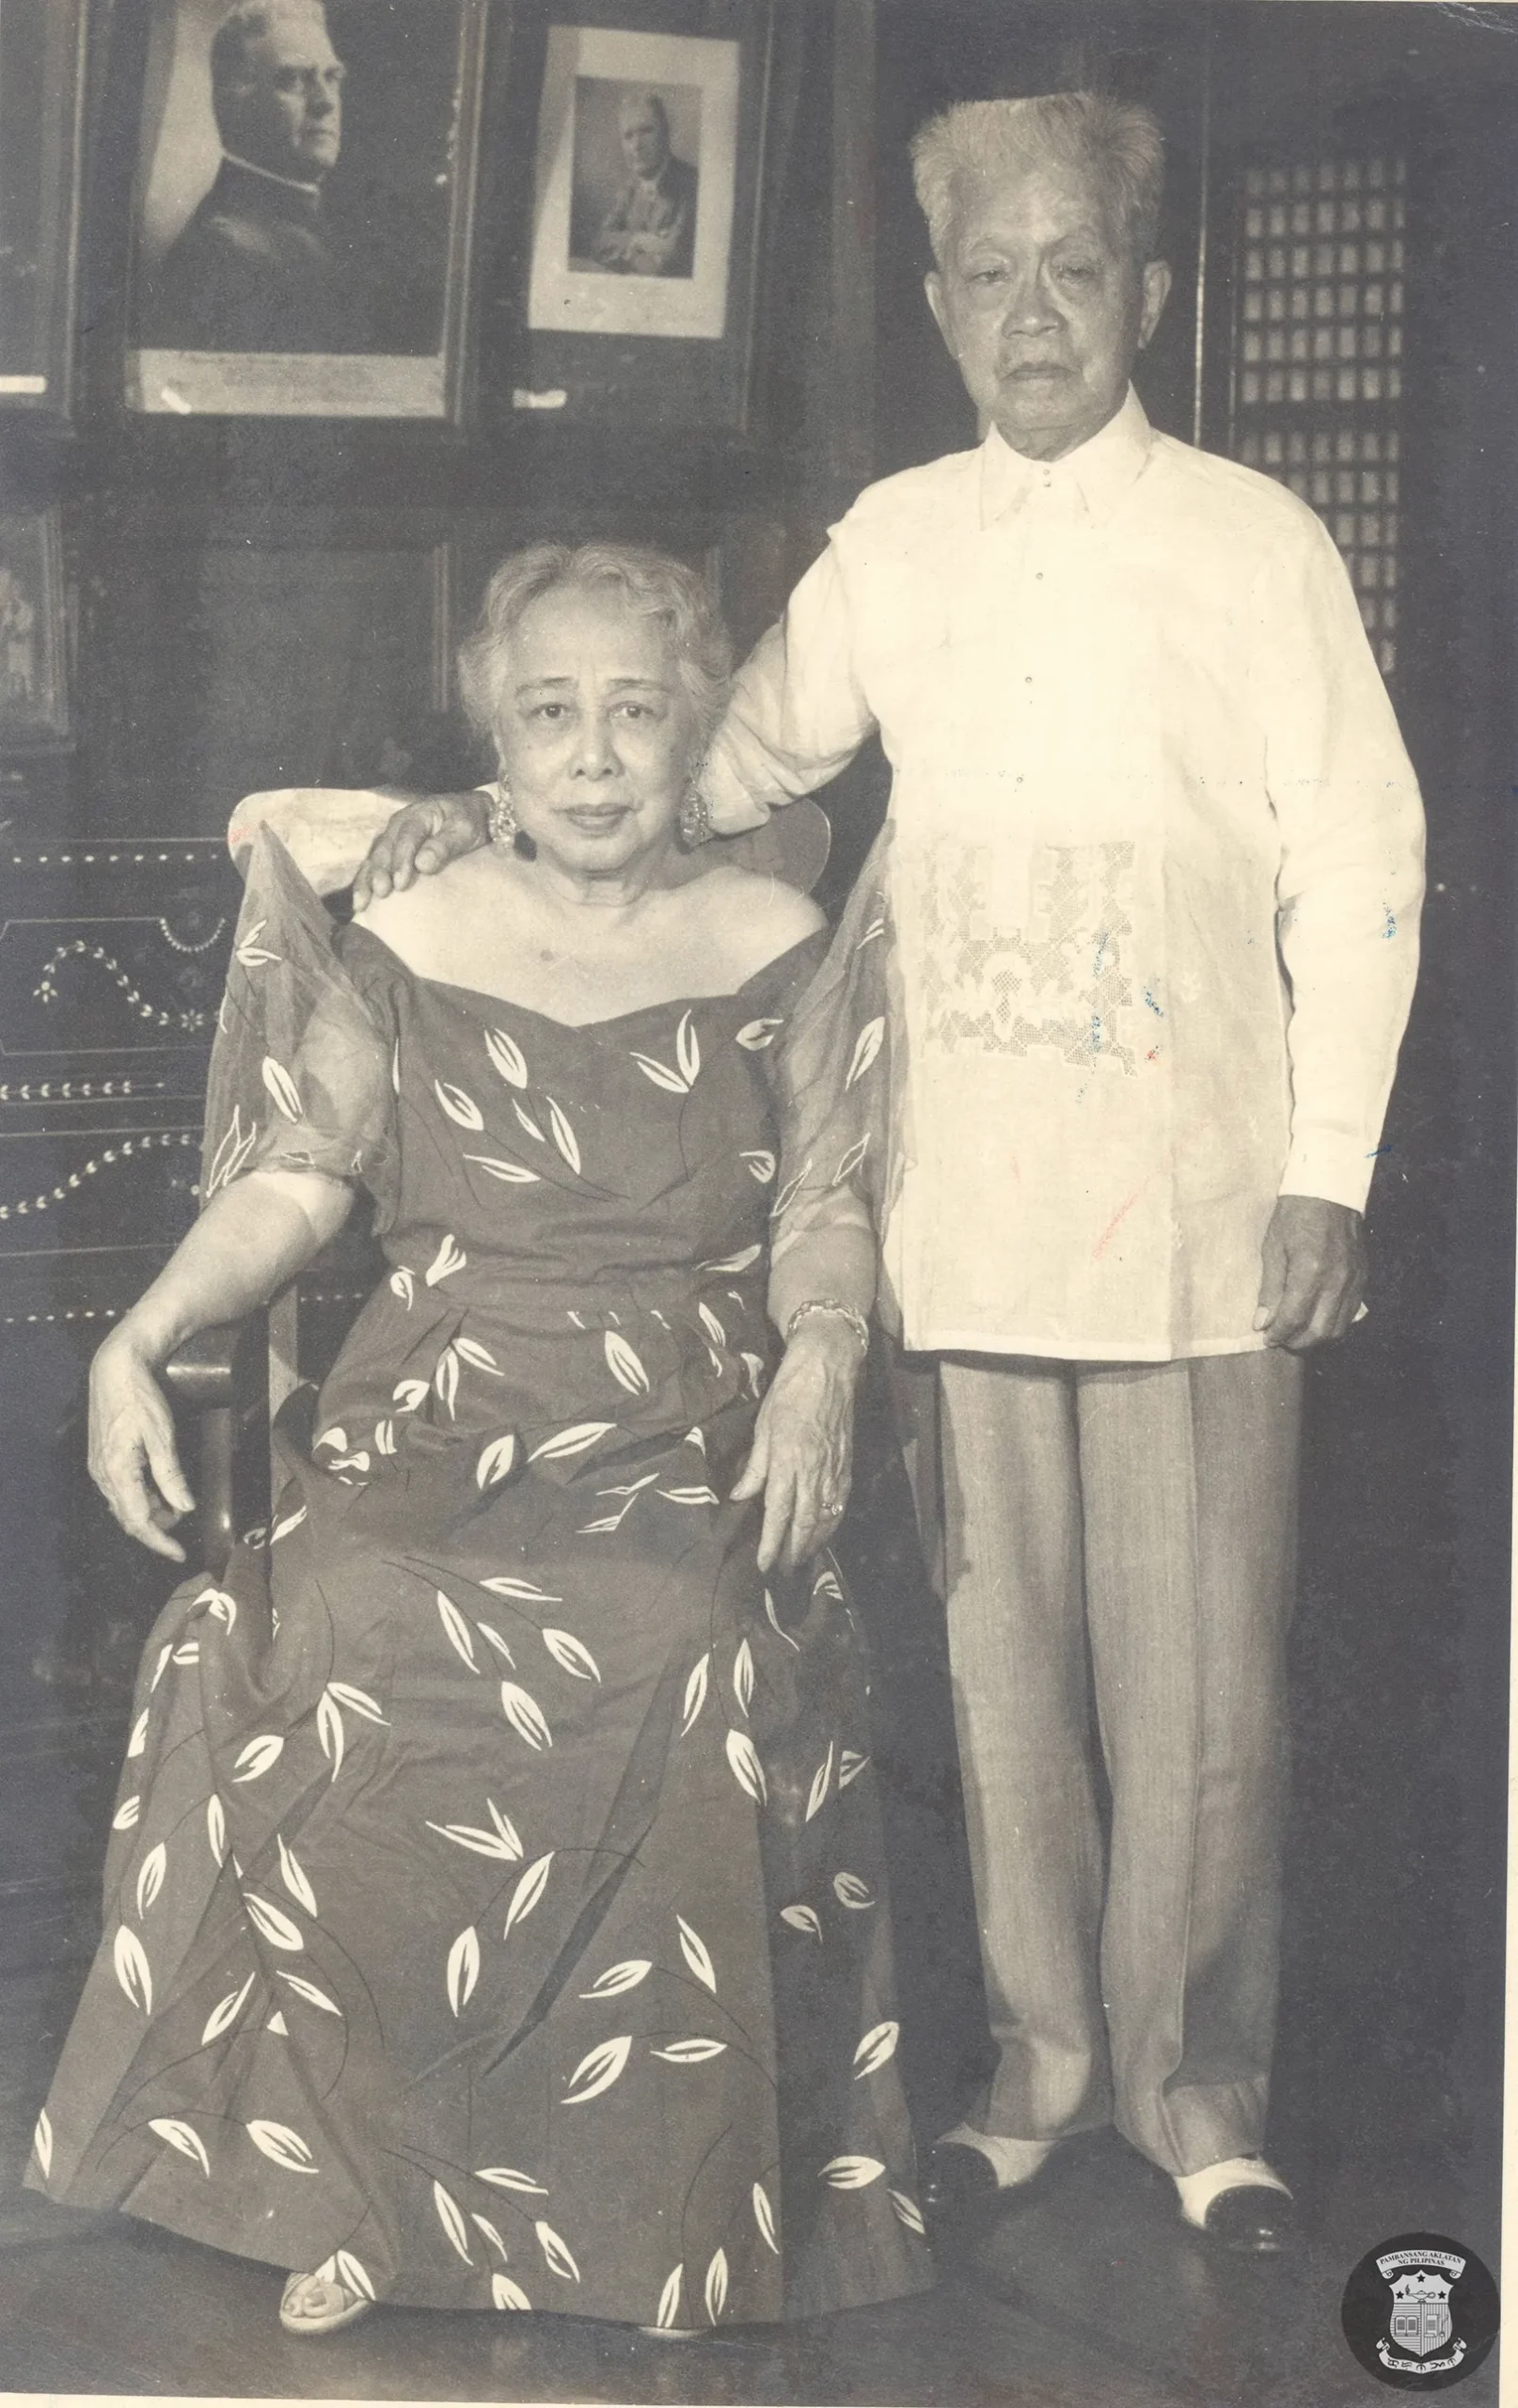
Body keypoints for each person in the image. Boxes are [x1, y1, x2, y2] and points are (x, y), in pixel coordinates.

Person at [350, 92, 1426, 2260]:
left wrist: (1325, 1169)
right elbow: (718, 770)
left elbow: (1366, 854)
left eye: (1076, 270)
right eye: (991, 276)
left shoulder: (1252, 542)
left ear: (1147, 292)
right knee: (999, 1670)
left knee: (1202, 1676)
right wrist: (488, 831)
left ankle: (1190, 2082)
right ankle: (1035, 2067)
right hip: (960, 1208)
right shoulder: (895, 543)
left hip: (1203, 1207)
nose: (1034, 313)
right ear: (940, 310)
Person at [28, 545, 932, 2338]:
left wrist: (821, 1350)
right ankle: (362, 2185)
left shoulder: (777, 945)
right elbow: (301, 1177)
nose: (592, 757)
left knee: (671, 1641)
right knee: (281, 1626)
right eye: (549, 715)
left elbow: (827, 1202)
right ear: (493, 749)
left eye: (635, 713)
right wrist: (141, 1330)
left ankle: (636, 2214)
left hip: (683, 1407)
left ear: (697, 738)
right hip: (438, 1401)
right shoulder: (409, 939)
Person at [137, 0, 364, 353]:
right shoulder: (222, 251)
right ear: (233, 101)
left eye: (331, 78)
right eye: (293, 80)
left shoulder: (328, 233)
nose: (325, 102)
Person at [591, 90, 699, 277]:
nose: (636, 146)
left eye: (646, 131)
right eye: (628, 136)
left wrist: (626, 253)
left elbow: (674, 260)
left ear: (665, 133)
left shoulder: (691, 184)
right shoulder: (630, 187)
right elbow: (600, 242)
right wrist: (639, 240)